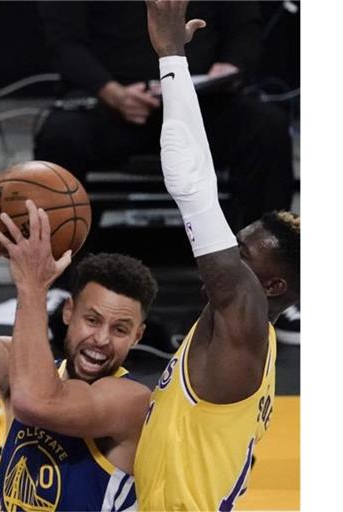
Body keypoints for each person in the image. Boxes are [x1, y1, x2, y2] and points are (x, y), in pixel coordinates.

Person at [132, 2, 300, 510]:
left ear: (273, 288)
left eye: (243, 254)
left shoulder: (243, 327)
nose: (227, 254)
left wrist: (171, 56)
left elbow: (191, 184)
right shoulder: (241, 333)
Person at [0, 200, 158, 511]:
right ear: (69, 312)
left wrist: (32, 285)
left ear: (137, 336)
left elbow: (35, 403)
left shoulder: (130, 401)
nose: (101, 339)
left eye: (120, 330)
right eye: (93, 320)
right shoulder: (21, 372)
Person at [34, 0, 294, 233]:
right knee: (59, 135)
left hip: (204, 103)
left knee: (267, 126)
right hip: (114, 102)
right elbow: (63, 41)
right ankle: (59, 274)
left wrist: (231, 66)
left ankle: (262, 266)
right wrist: (111, 92)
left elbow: (245, 28)